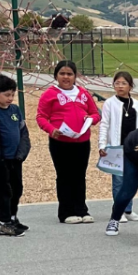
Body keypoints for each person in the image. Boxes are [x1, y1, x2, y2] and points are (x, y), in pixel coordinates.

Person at [36, 60, 100, 223]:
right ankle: (66, 212)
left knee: (79, 175)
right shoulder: (49, 94)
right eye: (62, 73)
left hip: (82, 141)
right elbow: (41, 117)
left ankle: (81, 209)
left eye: (69, 74)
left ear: (75, 76)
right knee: (64, 176)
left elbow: (95, 113)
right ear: (56, 75)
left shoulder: (83, 93)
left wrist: (90, 119)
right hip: (60, 141)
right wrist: (51, 129)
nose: (66, 77)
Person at [0, 74, 31, 236]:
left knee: (17, 188)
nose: (10, 98)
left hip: (16, 158)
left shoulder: (15, 110)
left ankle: (13, 216)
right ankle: (5, 222)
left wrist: (22, 153)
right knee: (4, 191)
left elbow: (23, 133)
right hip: (0, 159)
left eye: (12, 94)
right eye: (6, 95)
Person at [99, 71, 138, 222]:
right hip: (116, 146)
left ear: (130, 86)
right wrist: (102, 144)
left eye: (123, 83)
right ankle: (117, 211)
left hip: (133, 148)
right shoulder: (110, 103)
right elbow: (104, 124)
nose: (120, 86)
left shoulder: (137, 104)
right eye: (117, 83)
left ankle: (128, 209)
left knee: (131, 179)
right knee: (118, 180)